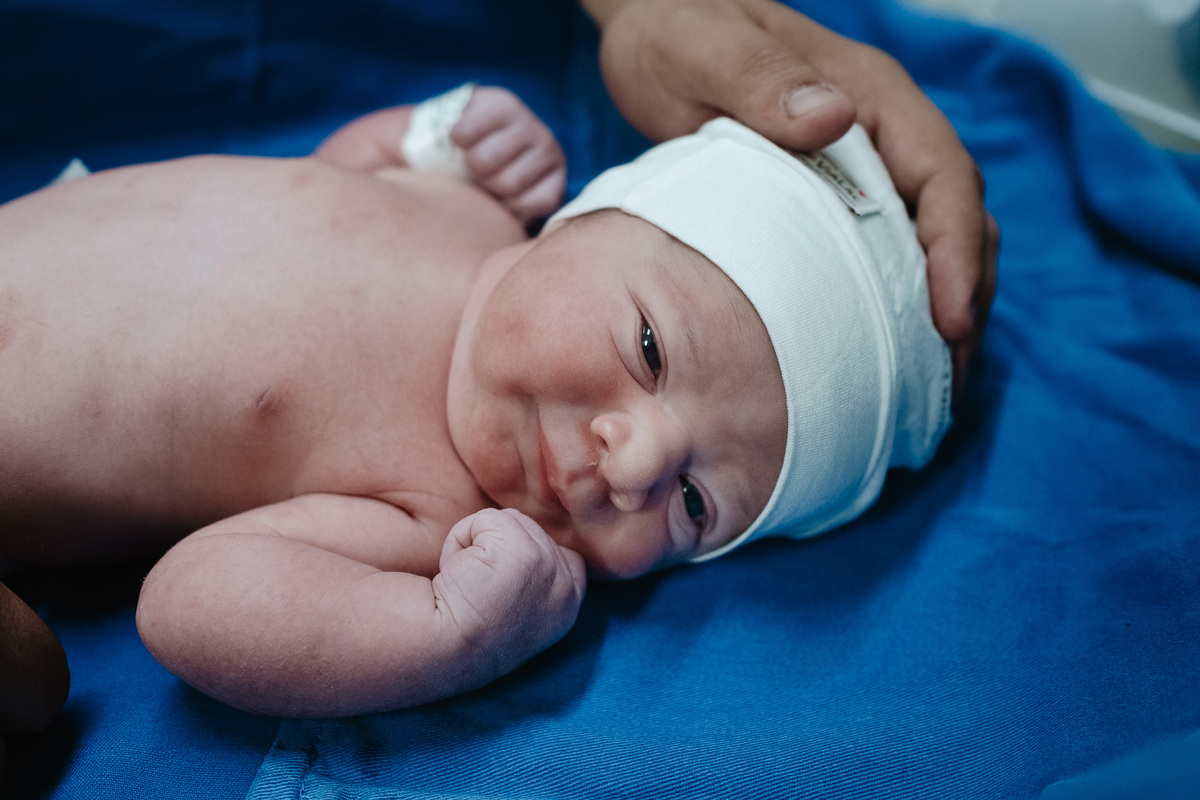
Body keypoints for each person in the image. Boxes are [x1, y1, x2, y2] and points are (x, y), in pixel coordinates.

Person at [0, 0, 997, 769]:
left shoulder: (434, 508)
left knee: (24, 683)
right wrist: (425, 139)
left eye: (697, 504)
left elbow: (187, 603)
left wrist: (451, 632)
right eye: (650, 347)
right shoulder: (468, 206)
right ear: (589, 215)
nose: (639, 461)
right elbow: (327, 177)